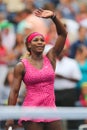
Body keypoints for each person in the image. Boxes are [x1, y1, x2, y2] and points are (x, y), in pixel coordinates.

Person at [5, 8, 67, 130]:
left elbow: (63, 34)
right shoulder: (21, 65)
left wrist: (53, 17)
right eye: (36, 40)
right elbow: (14, 92)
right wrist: (10, 117)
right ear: (29, 45)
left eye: (42, 40)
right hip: (31, 111)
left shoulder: (51, 57)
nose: (40, 42)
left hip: (51, 110)